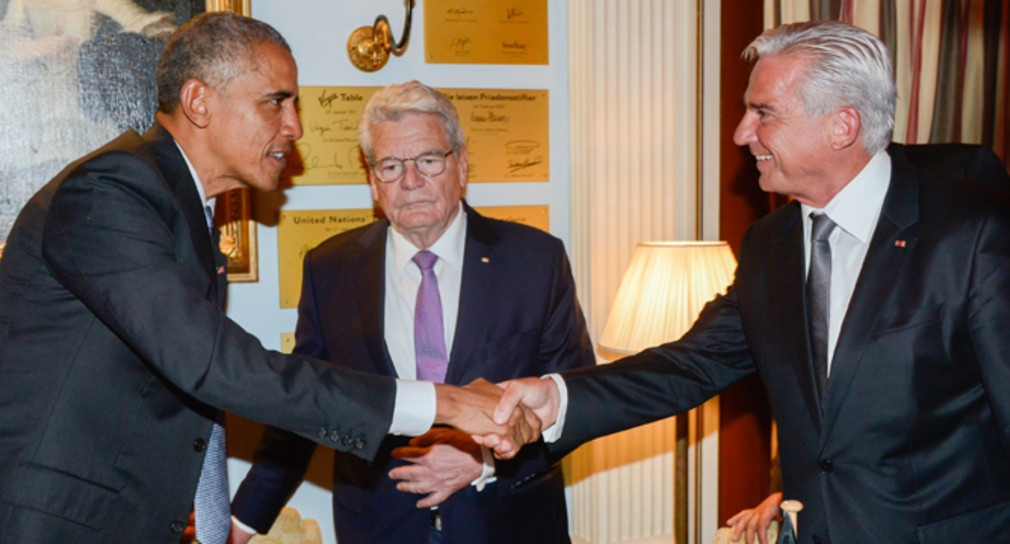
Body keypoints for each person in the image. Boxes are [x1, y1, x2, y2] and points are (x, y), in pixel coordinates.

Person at [0, 13, 535, 544]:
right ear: (199, 102)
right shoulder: (110, 191)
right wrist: (440, 402)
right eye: (276, 101)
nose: (295, 126)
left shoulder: (185, 210)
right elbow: (218, 367)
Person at [493, 20, 1010, 543]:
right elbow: (689, 365)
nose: (742, 133)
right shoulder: (770, 243)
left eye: (763, 113)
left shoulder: (972, 232)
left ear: (842, 126)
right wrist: (556, 399)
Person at [229, 81, 594, 544]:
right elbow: (304, 405)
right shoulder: (331, 268)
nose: (410, 180)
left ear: (461, 166)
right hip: (379, 527)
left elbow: (579, 402)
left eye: (428, 160)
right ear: (373, 182)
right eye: (391, 165)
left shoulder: (535, 261)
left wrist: (484, 458)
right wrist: (242, 522)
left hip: (507, 524)